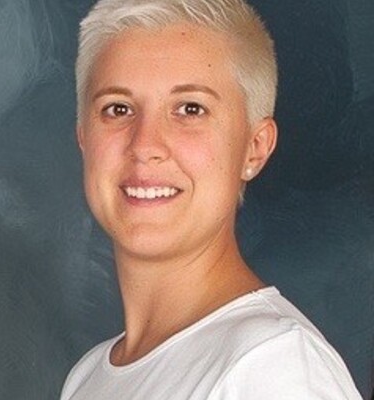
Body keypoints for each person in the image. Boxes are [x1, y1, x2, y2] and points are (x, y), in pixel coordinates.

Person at [60, 0, 363, 398]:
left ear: (254, 148)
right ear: (83, 138)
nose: (145, 146)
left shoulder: (273, 364)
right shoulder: (87, 378)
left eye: (190, 109)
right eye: (118, 109)